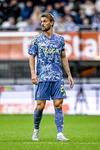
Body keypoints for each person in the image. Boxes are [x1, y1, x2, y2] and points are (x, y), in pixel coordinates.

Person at [28, 13, 74, 141]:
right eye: (41, 21)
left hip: (57, 77)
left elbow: (63, 57)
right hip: (42, 78)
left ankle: (60, 134)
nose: (42, 23)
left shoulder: (60, 39)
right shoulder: (36, 39)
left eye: (45, 21)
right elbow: (31, 56)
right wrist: (33, 73)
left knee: (58, 104)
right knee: (40, 106)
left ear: (51, 23)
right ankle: (36, 130)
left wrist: (69, 75)